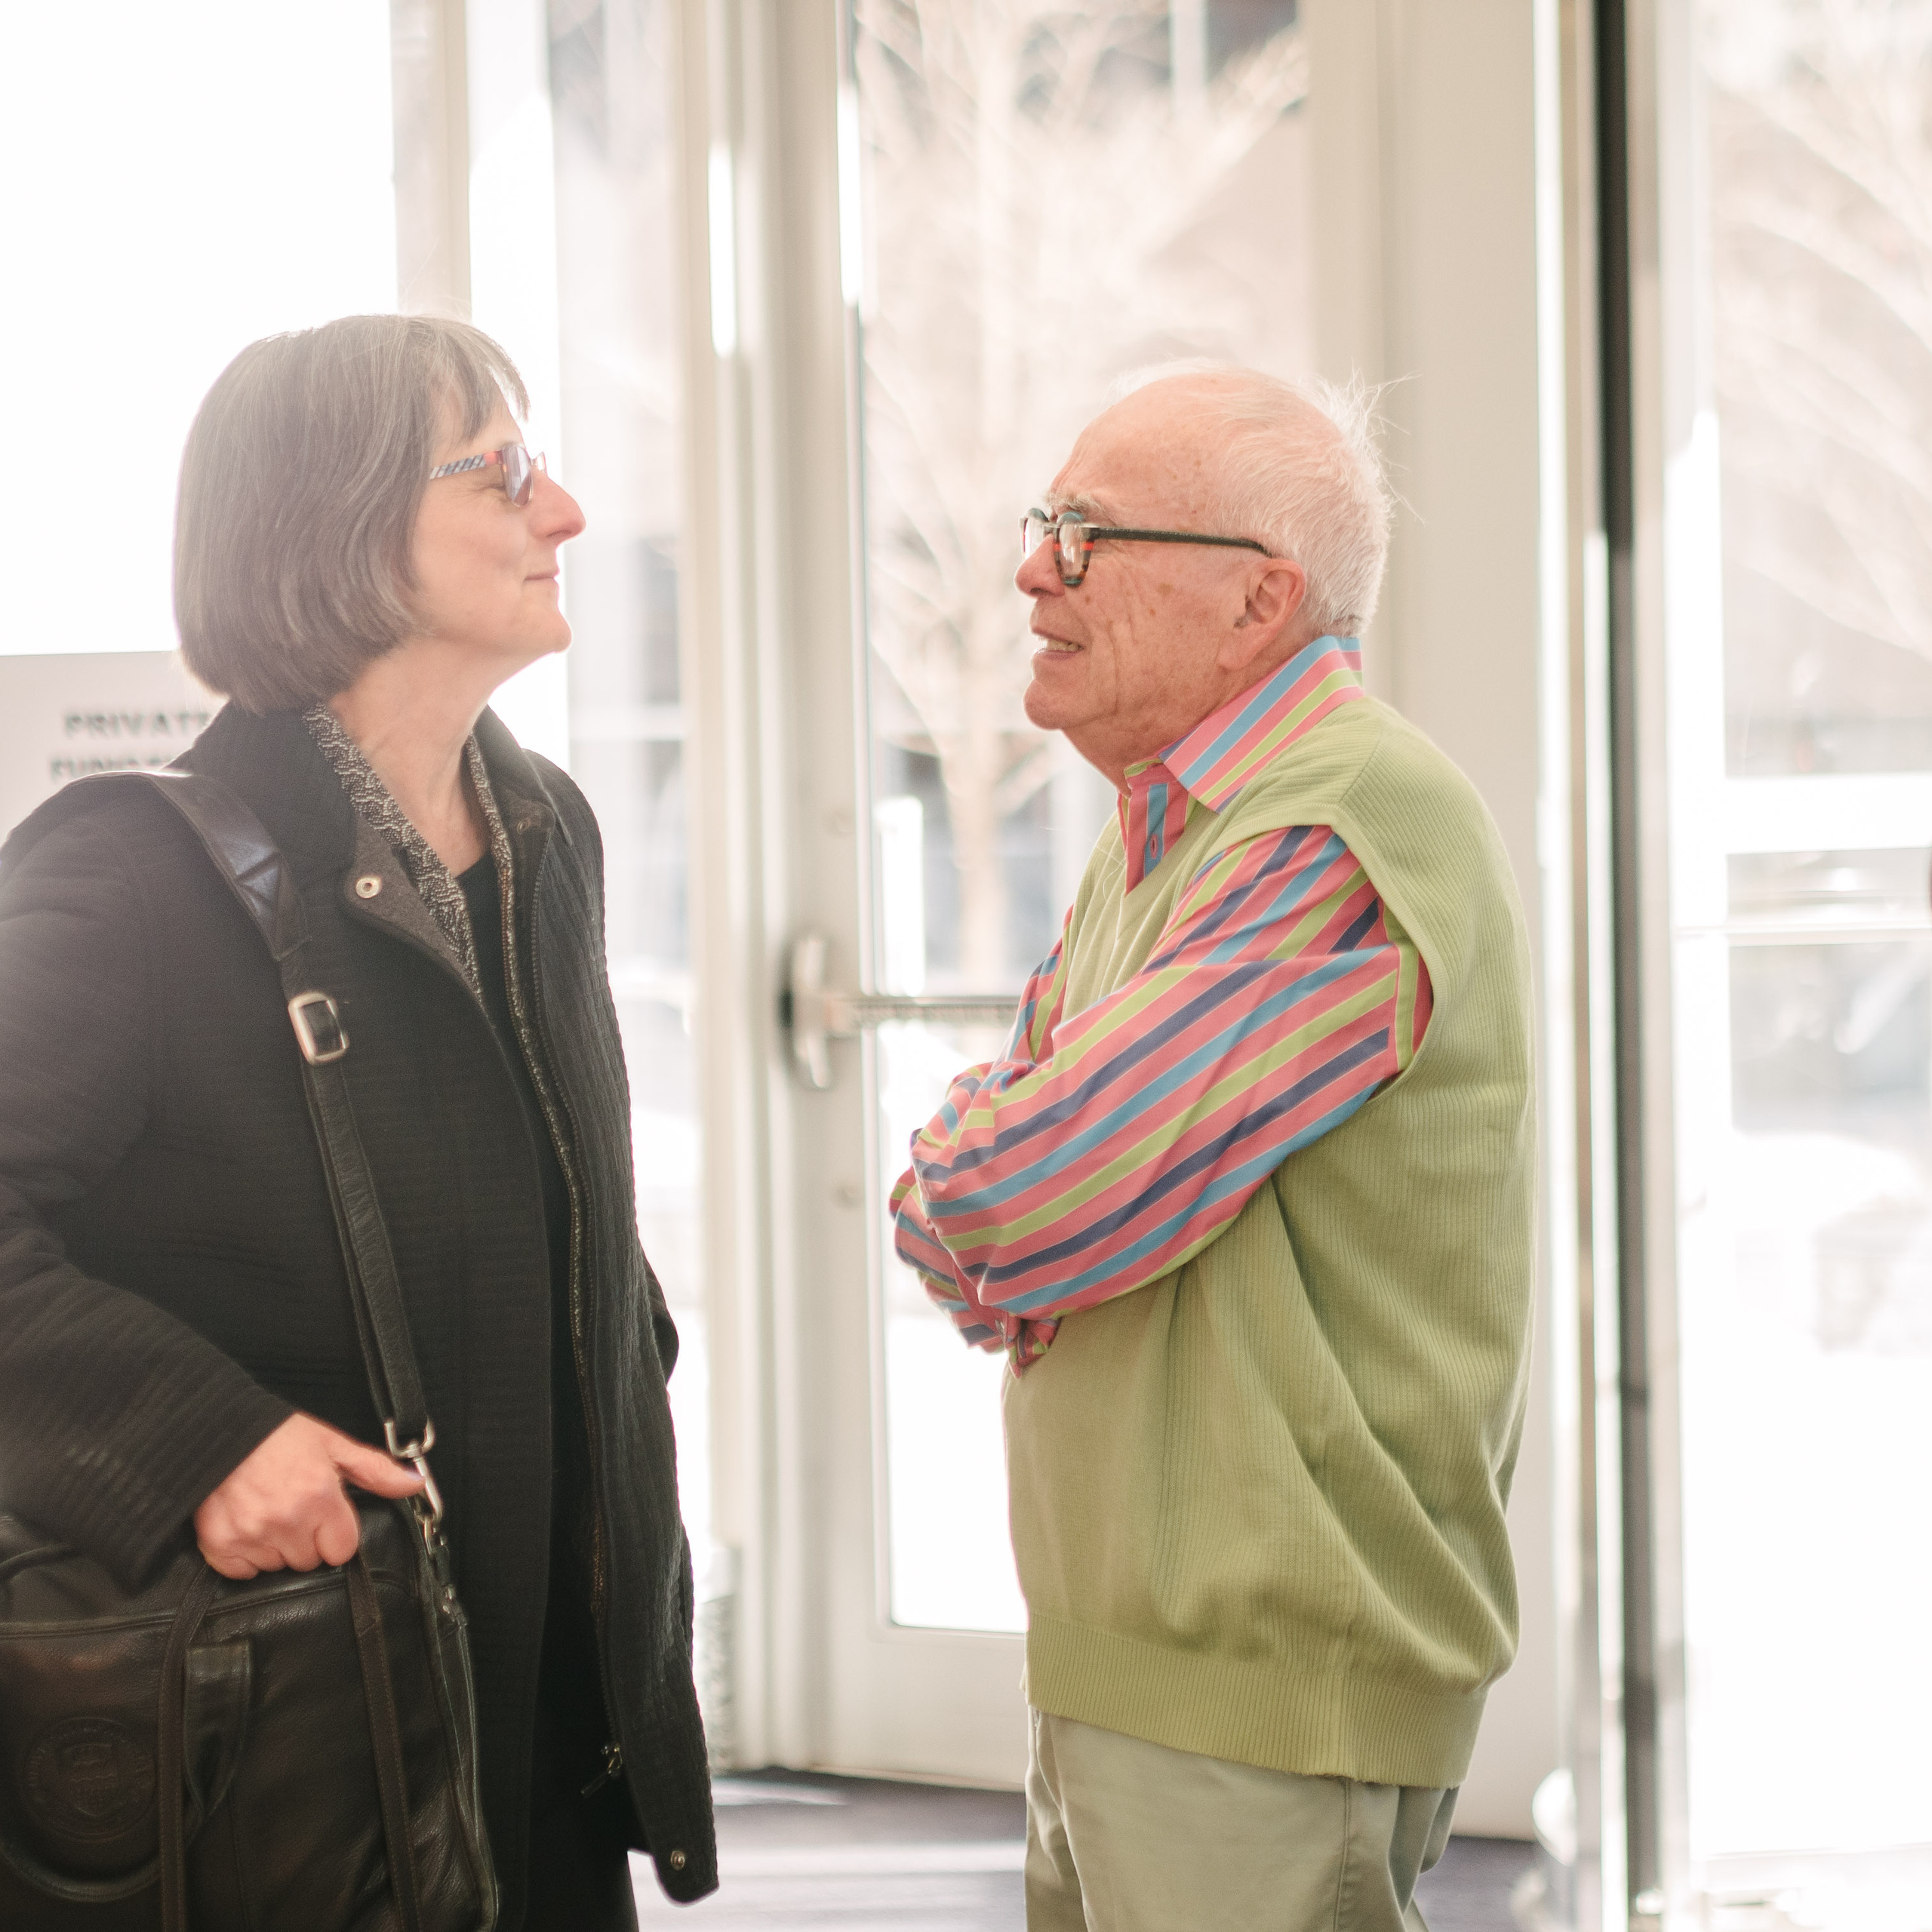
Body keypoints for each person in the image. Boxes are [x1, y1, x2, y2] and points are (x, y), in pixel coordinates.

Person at [0, 315, 715, 1926]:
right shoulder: (124, 875)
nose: (565, 511)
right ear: (337, 521)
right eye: (503, 473)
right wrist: (196, 1438)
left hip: (544, 1705)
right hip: (289, 1746)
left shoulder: (543, 830)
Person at [891, 367, 1535, 1932]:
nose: (1031, 570)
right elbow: (1000, 1175)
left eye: (1086, 533)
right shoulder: (1170, 825)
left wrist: (994, 1190)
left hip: (1270, 1685)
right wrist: (997, 1186)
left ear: (1260, 600)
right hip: (1140, 1660)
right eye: (1045, 523)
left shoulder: (1337, 819)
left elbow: (1016, 1188)